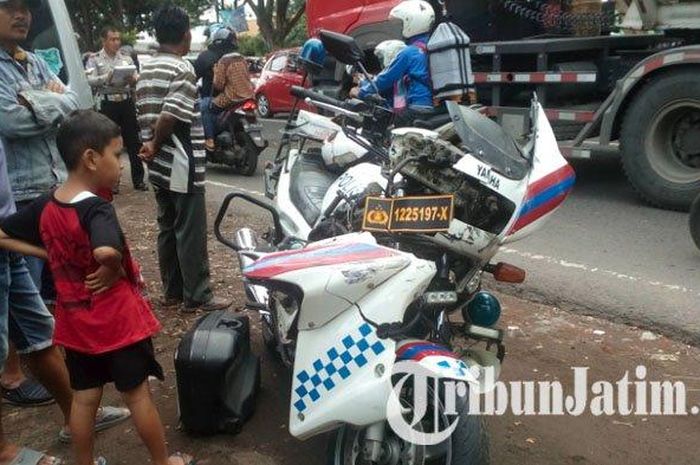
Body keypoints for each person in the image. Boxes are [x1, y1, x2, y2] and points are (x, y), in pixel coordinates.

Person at [0, 110, 195, 465]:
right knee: (137, 396)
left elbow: (3, 235)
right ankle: (164, 462)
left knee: (84, 399)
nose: (121, 164)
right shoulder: (96, 208)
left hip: (76, 325)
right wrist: (113, 263)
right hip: (117, 322)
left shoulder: (47, 203)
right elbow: (105, 249)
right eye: (116, 154)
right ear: (91, 158)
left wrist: (48, 250)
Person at [0, 0, 76, 406]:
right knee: (17, 286)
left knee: (50, 282)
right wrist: (51, 103)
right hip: (17, 194)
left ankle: (52, 361)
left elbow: (75, 101)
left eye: (25, 7)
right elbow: (9, 122)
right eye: (9, 6)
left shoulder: (31, 60)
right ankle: (13, 375)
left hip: (51, 183)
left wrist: (37, 101)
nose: (22, 14)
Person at [136, 5, 230, 312]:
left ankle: (173, 291)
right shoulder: (182, 69)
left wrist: (150, 147)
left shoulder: (146, 68)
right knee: (189, 229)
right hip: (180, 160)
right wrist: (155, 142)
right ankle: (198, 295)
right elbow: (170, 114)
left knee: (167, 226)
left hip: (158, 164)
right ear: (186, 34)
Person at [351, 0, 435, 127]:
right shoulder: (430, 46)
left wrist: (361, 91)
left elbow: (385, 79)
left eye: (402, 24)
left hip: (416, 108)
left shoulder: (408, 52)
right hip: (433, 105)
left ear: (412, 22)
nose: (400, 28)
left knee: (384, 131)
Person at [85, 25, 147, 191]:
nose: (116, 42)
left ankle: (139, 180)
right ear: (104, 40)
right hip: (107, 103)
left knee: (133, 141)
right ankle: (111, 182)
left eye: (118, 39)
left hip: (126, 102)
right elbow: (89, 80)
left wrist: (133, 80)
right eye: (112, 39)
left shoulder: (126, 58)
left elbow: (136, 77)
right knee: (108, 142)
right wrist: (108, 76)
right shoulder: (95, 59)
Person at [194, 26, 238, 151]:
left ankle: (210, 139)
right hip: (240, 97)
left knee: (204, 107)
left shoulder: (208, 57)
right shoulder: (238, 57)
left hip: (219, 98)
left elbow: (195, 78)